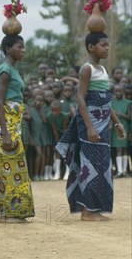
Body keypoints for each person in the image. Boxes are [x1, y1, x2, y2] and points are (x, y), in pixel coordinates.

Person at [56, 32, 126, 220]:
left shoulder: (102, 70)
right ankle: (87, 211)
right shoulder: (86, 69)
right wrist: (89, 127)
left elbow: (105, 101)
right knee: (90, 165)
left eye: (108, 45)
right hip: (91, 126)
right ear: (91, 47)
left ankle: (94, 208)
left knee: (102, 166)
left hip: (103, 127)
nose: (107, 48)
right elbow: (80, 97)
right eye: (103, 44)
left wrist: (117, 123)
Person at [0, 34, 35, 223]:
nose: (23, 50)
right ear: (8, 49)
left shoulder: (13, 70)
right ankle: (10, 213)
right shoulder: (5, 70)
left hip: (11, 122)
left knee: (8, 167)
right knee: (12, 167)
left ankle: (7, 212)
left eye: (24, 47)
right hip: (4, 125)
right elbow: (0, 102)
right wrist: (5, 133)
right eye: (19, 47)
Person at [111, 84, 130, 177]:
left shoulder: (128, 103)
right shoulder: (111, 103)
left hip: (125, 126)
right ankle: (119, 171)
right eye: (116, 91)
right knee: (118, 148)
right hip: (115, 127)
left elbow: (129, 117)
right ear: (113, 92)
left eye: (120, 91)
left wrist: (117, 113)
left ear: (123, 91)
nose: (118, 93)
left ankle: (125, 171)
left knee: (125, 149)